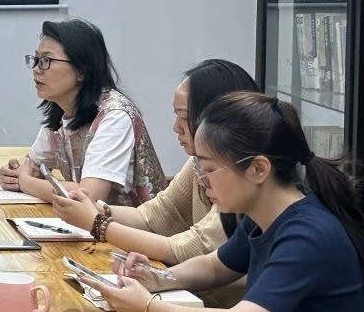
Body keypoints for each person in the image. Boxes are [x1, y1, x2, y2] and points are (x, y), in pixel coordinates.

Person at [82, 92, 364, 312]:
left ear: (258, 169)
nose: (202, 180)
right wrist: (158, 278)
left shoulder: (307, 235)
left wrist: (148, 308)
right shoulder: (264, 213)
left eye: (208, 169)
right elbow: (215, 266)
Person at [51, 59, 258, 270]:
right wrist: (94, 209)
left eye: (184, 117)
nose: (176, 128)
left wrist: (97, 223)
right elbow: (153, 216)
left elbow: (187, 249)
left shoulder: (238, 178)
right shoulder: (197, 163)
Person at [0, 18, 166, 210]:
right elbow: (31, 166)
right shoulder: (61, 110)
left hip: (134, 227)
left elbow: (88, 196)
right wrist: (11, 175)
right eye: (36, 60)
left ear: (81, 71)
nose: (36, 69)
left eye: (46, 61)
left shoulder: (115, 115)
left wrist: (24, 182)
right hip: (93, 224)